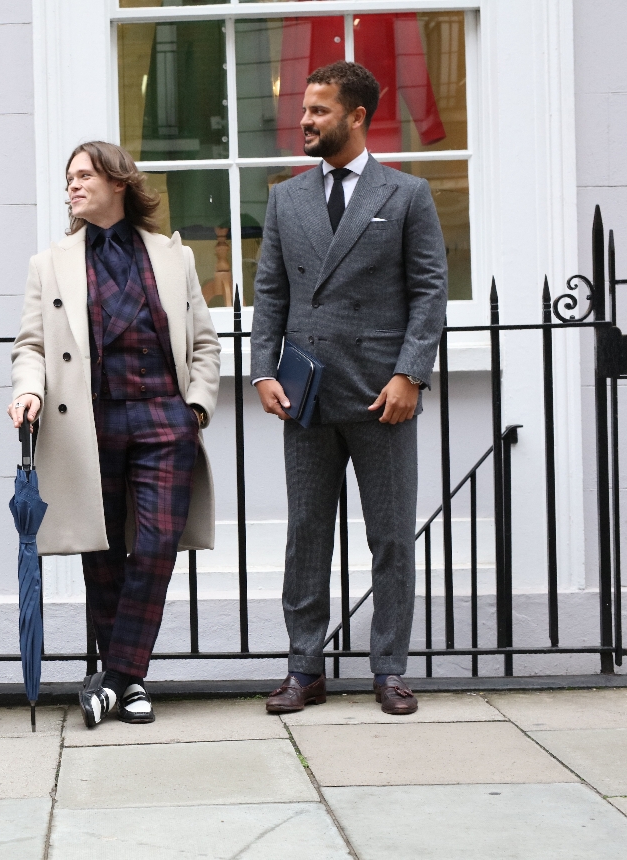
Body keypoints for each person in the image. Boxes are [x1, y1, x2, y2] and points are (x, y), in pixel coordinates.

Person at [250, 62, 448, 716]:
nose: (305, 121)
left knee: (391, 536)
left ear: (357, 116)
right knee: (306, 532)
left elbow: (429, 293)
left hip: (381, 395)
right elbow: (271, 293)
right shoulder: (285, 198)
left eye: (318, 111)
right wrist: (262, 369)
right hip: (306, 394)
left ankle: (390, 669)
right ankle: (304, 669)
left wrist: (410, 374)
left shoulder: (407, 194)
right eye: (305, 110)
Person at [9, 142, 221, 728]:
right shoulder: (50, 262)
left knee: (155, 545)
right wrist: (28, 389)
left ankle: (114, 674)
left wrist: (195, 410)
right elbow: (31, 346)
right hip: (90, 424)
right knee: (103, 555)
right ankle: (130, 688)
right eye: (68, 177)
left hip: (163, 421)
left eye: (84, 176)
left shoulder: (171, 257)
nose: (72, 186)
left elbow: (204, 345)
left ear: (119, 182)